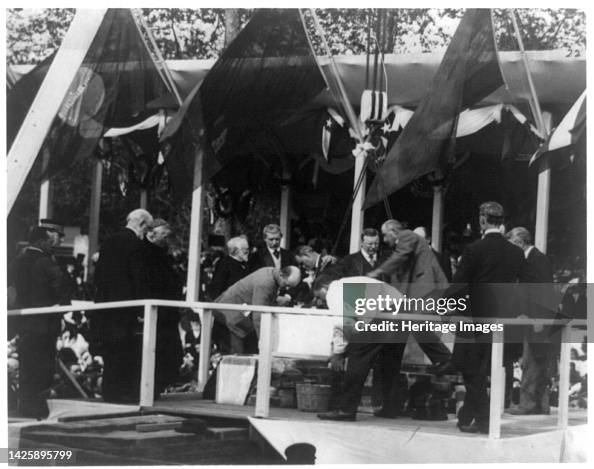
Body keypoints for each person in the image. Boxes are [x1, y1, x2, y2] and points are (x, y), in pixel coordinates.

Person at [446, 202, 525, 433]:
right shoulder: (516, 253)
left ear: (482, 219)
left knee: (472, 371)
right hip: (502, 322)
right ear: (501, 221)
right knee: (481, 371)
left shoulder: (474, 250)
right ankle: (466, 417)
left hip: (473, 320)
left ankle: (484, 420)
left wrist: (443, 308)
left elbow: (458, 286)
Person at [315, 275, 409, 421]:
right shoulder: (351, 282)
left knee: (358, 358)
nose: (320, 301)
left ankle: (346, 410)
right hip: (402, 308)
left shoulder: (334, 291)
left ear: (323, 287)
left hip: (382, 313)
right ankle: (390, 407)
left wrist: (338, 353)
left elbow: (342, 323)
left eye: (319, 296)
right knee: (390, 363)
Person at [368, 220, 452, 374]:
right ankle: (443, 358)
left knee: (416, 323)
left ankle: (445, 358)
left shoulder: (407, 236)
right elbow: (402, 275)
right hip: (424, 288)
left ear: (394, 231)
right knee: (416, 323)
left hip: (429, 287)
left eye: (386, 235)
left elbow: (400, 257)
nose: (385, 240)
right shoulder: (405, 247)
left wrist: (378, 271)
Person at [93, 208, 153, 403]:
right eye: (147, 228)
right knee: (126, 350)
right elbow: (139, 279)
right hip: (126, 308)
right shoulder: (136, 245)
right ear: (142, 224)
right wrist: (141, 308)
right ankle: (121, 393)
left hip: (106, 305)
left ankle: (109, 391)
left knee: (111, 351)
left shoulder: (109, 241)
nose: (146, 233)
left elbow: (99, 274)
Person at [10, 223, 69, 418]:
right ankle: (38, 409)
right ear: (43, 240)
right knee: (43, 368)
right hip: (44, 323)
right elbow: (61, 288)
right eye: (53, 238)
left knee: (27, 367)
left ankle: (25, 406)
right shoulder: (46, 262)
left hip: (24, 321)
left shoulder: (17, 261)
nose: (56, 242)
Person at [506, 227, 554, 415]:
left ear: (520, 242)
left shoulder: (536, 260)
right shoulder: (535, 259)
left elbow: (543, 290)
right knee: (538, 360)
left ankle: (528, 405)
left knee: (532, 361)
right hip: (536, 317)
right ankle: (541, 405)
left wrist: (537, 317)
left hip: (537, 317)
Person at [213, 266, 301, 354]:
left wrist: (276, 300)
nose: (287, 288)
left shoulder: (271, 272)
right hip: (227, 315)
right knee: (236, 356)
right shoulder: (265, 283)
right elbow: (258, 315)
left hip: (233, 314)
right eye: (287, 285)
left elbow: (261, 298)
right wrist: (264, 343)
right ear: (281, 274)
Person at [144, 218, 184, 398]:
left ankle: (158, 387)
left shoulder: (163, 255)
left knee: (171, 354)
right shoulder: (146, 254)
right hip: (157, 313)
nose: (167, 240)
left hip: (168, 314)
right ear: (152, 233)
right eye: (164, 236)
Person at [208, 236, 251, 353]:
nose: (248, 251)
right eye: (245, 249)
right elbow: (215, 290)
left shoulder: (246, 265)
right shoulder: (224, 264)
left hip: (242, 315)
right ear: (235, 251)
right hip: (227, 316)